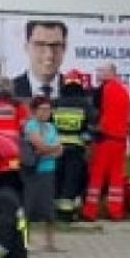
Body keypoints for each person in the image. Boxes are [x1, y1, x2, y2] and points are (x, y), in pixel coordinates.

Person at [83, 62, 130, 222]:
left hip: (105, 139)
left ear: (110, 73)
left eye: (101, 71)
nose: (98, 73)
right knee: (116, 178)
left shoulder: (104, 89)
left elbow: (96, 112)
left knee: (97, 176)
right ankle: (116, 212)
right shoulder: (124, 91)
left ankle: (90, 211)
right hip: (120, 140)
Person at [23, 96, 63, 251]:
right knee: (28, 206)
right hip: (33, 172)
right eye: (43, 109)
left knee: (48, 208)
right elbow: (42, 146)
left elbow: (59, 150)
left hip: (48, 170)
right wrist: (49, 149)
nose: (46, 112)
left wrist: (46, 151)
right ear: (34, 110)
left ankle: (50, 243)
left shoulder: (51, 127)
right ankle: (24, 242)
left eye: (48, 109)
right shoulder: (30, 126)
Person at [52, 70, 94, 221]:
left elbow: (49, 124)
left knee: (57, 178)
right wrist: (88, 141)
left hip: (56, 148)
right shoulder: (84, 104)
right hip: (76, 149)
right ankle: (66, 213)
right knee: (72, 179)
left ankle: (55, 211)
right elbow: (92, 123)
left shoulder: (56, 103)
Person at [12, 19, 69, 100]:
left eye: (55, 45)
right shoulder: (9, 92)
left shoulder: (79, 92)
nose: (49, 54)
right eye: (40, 45)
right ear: (26, 47)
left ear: (64, 48)